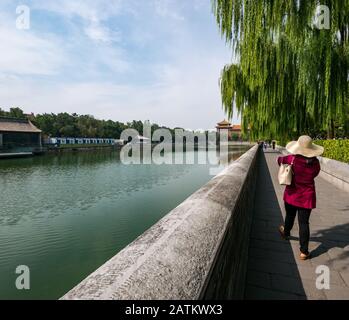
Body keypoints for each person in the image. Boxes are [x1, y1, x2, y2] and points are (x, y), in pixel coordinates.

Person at [277, 135, 324, 260]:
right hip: (307, 196)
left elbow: (279, 160)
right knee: (304, 223)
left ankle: (286, 232)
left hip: (292, 194)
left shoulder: (292, 158)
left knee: (290, 216)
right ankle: (304, 251)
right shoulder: (315, 163)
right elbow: (315, 174)